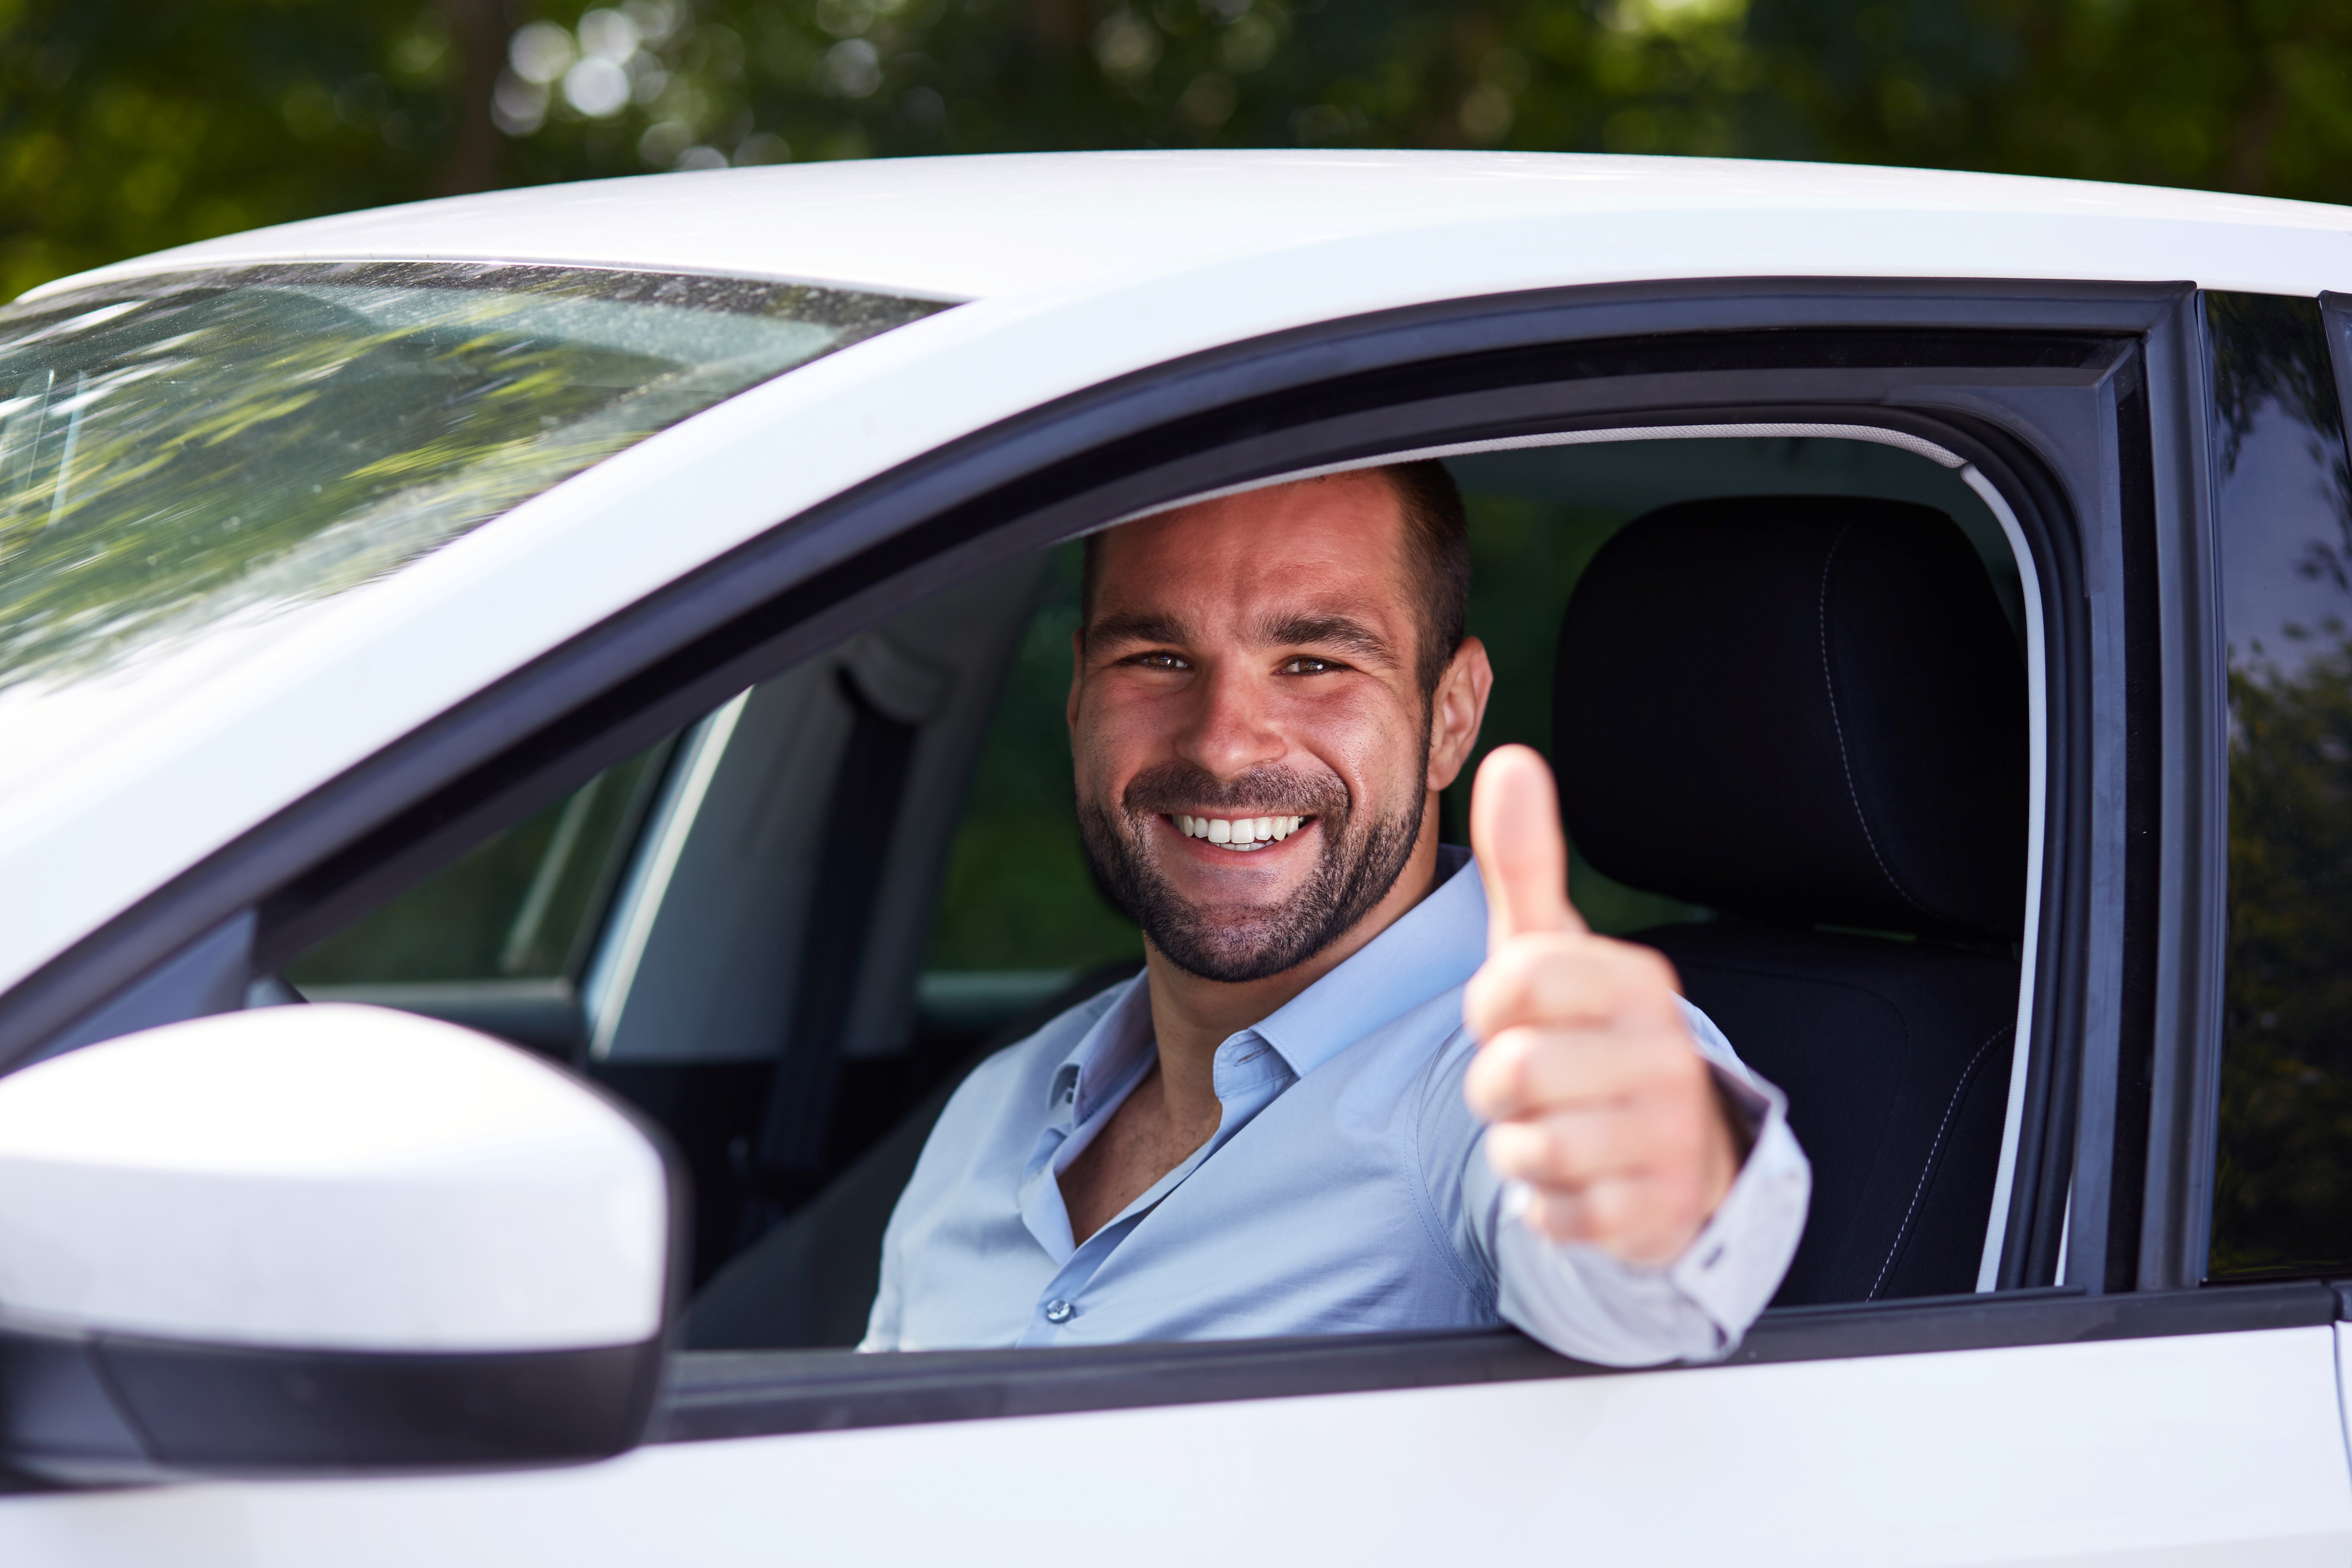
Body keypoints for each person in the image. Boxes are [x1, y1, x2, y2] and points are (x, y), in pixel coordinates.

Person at [861, 460, 1810, 1363]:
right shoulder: (1000, 1105)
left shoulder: (1493, 1084)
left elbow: (1636, 1275)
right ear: (1078, 695)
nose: (1227, 745)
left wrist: (1664, 1186)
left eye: (1314, 663)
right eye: (1157, 657)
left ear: (1451, 715)